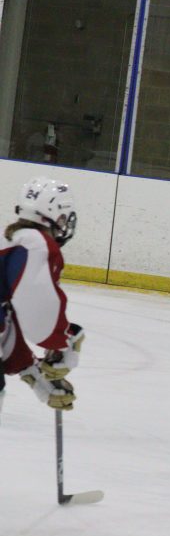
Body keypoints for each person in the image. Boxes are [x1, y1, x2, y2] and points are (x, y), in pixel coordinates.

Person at [0, 177, 84, 420]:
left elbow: (5, 322)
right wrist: (63, 342)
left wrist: (36, 377)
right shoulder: (36, 244)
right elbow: (40, 318)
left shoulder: (12, 241)